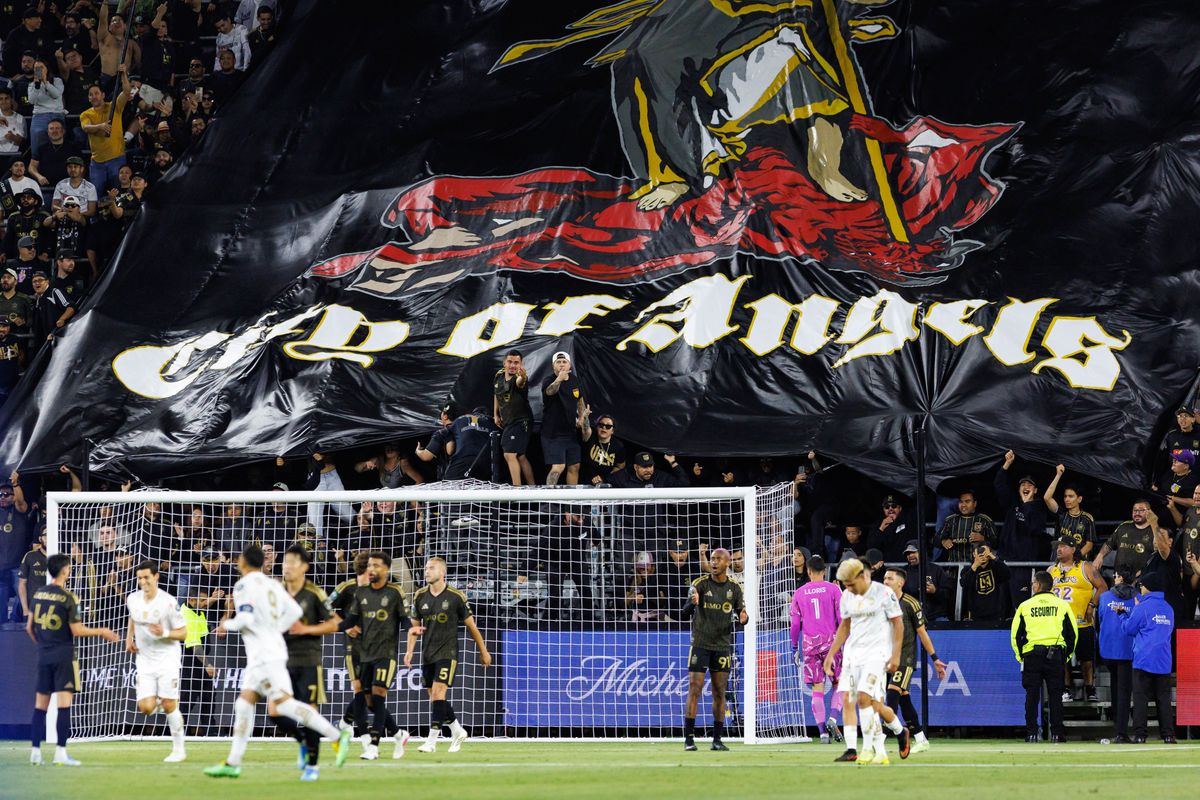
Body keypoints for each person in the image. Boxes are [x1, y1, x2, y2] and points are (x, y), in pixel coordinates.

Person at [205, 545, 351, 780]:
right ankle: (233, 762)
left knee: (279, 705)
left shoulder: (243, 585)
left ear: (243, 562)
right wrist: (274, 629)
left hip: (264, 656)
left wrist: (226, 625)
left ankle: (334, 735)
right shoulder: (272, 584)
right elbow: (293, 611)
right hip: (274, 651)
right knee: (251, 705)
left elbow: (245, 617)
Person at [26, 553, 121, 766]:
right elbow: (76, 630)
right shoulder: (70, 597)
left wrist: (43, 645)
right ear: (65, 571)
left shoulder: (39, 593)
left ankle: (35, 752)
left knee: (40, 706)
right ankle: (60, 753)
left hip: (43, 655)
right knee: (64, 705)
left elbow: (28, 628)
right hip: (64, 655)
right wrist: (102, 631)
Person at [271, 544, 349, 776]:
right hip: (280, 660)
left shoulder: (314, 593)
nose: (287, 566)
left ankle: (313, 767)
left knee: (310, 712)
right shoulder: (276, 591)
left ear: (305, 566)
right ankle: (303, 742)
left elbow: (335, 623)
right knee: (274, 712)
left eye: (293, 562)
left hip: (308, 659)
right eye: (285, 561)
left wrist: (305, 630)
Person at [824, 558, 910, 765]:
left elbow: (898, 624)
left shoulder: (884, 593)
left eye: (851, 584)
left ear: (863, 576)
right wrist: (830, 654)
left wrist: (896, 654)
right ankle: (855, 748)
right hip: (853, 656)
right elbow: (844, 626)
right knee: (853, 700)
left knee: (865, 699)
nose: (849, 588)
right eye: (846, 585)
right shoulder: (846, 596)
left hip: (877, 655)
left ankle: (868, 749)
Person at [406, 556, 492, 753]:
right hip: (427, 654)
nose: (427, 571)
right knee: (435, 699)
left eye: (432, 568)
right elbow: (414, 627)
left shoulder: (455, 596)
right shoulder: (420, 596)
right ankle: (457, 730)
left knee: (438, 694)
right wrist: (410, 650)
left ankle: (431, 741)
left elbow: (472, 627)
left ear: (442, 572)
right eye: (426, 568)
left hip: (448, 653)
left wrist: (484, 651)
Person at [344, 551, 409, 760]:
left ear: (386, 569)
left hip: (386, 652)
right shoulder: (359, 593)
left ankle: (372, 745)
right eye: (369, 566)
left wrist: (412, 630)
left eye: (376, 566)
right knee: (367, 700)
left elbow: (404, 619)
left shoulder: (394, 592)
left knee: (379, 696)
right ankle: (398, 734)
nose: (371, 569)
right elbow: (347, 620)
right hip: (364, 653)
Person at [682, 547, 747, 751]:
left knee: (720, 692)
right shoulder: (699, 584)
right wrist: (693, 604)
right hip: (700, 644)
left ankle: (717, 740)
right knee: (695, 689)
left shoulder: (735, 588)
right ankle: (689, 740)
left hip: (722, 646)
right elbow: (684, 613)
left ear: (727, 563)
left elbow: (741, 614)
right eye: (712, 559)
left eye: (719, 559)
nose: (714, 562)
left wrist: (745, 618)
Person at [125, 560, 188, 762]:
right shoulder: (132, 599)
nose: (143, 582)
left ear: (156, 577)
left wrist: (165, 632)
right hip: (144, 659)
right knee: (145, 708)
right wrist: (129, 639)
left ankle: (179, 750)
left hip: (167, 658)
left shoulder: (169, 602)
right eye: (140, 578)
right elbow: (133, 618)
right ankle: (164, 702)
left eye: (146, 577)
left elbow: (184, 633)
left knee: (170, 704)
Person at [882, 567, 948, 754]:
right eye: (884, 578)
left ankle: (881, 739)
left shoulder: (911, 603)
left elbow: (922, 633)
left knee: (893, 693)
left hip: (906, 658)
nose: (885, 582)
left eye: (890, 579)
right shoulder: (881, 603)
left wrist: (934, 658)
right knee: (904, 700)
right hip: (887, 658)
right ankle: (920, 738)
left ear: (900, 583)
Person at [1010, 570, 1077, 743]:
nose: (1032, 585)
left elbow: (1015, 635)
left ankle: (1031, 733)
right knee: (1056, 696)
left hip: (1032, 655)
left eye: (1033, 583)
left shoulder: (1025, 606)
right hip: (1055, 656)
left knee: (1032, 696)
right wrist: (1065, 656)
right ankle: (1057, 734)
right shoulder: (1062, 605)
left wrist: (1021, 657)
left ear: (1038, 585)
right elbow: (1072, 634)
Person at [788, 554, 844, 744]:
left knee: (817, 689)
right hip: (832, 643)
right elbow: (842, 618)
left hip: (810, 646)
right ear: (825, 571)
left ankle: (822, 733)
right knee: (840, 683)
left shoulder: (799, 592)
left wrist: (794, 646)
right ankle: (833, 718)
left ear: (809, 571)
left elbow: (795, 624)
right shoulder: (834, 589)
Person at [1117, 572, 1176, 743]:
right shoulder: (1168, 608)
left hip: (1144, 659)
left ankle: (1141, 736)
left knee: (1140, 698)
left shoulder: (1142, 607)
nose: (1140, 589)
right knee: (1163, 699)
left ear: (1147, 587)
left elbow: (1129, 629)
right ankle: (1168, 735)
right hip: (1164, 660)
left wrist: (1122, 614)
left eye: (1141, 586)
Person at [1049, 536, 1107, 702]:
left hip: (1082, 623)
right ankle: (1065, 689)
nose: (1058, 549)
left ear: (1073, 549)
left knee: (1086, 660)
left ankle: (1090, 689)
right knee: (1062, 659)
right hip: (1059, 623)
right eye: (1057, 546)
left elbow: (1103, 587)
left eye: (1063, 546)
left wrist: (1092, 604)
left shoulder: (1085, 567)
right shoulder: (1051, 570)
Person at [994, 451, 1050, 604]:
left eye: (1030, 485)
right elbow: (999, 485)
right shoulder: (1013, 504)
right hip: (1005, 561)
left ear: (1036, 490)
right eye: (1023, 484)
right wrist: (1007, 464)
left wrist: (1026, 506)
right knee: (1001, 602)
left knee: (1020, 603)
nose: (1026, 487)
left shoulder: (1039, 509)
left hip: (1024, 565)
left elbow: (1034, 530)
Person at [1095, 566, 1137, 743]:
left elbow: (1099, 622)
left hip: (1109, 649)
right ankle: (1122, 731)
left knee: (1117, 689)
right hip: (1129, 649)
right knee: (1125, 691)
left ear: (1119, 577)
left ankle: (1119, 730)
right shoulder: (1137, 598)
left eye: (1116, 575)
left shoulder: (1105, 597)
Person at [79, 64, 132, 198]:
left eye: (96, 93)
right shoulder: (85, 114)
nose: (94, 96)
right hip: (97, 162)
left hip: (117, 158)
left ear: (103, 95)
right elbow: (85, 128)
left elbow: (126, 92)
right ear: (88, 98)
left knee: (119, 193)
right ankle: (94, 218)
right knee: (94, 194)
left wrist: (124, 74)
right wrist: (100, 126)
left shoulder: (114, 106)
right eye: (91, 95)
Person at [541, 350, 586, 485]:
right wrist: (559, 379)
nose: (561, 365)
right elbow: (550, 392)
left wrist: (581, 418)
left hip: (570, 433)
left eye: (564, 362)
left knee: (575, 466)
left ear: (569, 365)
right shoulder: (548, 380)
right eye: (558, 362)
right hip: (552, 434)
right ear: (553, 366)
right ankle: (548, 499)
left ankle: (570, 504)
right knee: (558, 467)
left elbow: (580, 400)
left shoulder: (575, 380)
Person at [493, 349, 535, 485]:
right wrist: (496, 414)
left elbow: (520, 382)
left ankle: (516, 490)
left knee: (509, 454)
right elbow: (496, 393)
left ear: (521, 364)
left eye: (516, 363)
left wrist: (522, 377)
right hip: (509, 422)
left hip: (521, 421)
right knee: (521, 456)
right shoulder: (498, 376)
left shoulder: (520, 378)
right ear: (504, 363)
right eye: (510, 362)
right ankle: (532, 488)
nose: (512, 365)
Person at [1093, 500, 1158, 577]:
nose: (1137, 513)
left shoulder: (1154, 529)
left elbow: (1159, 552)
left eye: (1141, 510)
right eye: (1135, 510)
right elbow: (1109, 544)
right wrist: (1100, 556)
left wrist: (1154, 523)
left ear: (1149, 512)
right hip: (1118, 579)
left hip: (1141, 580)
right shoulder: (1124, 526)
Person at [1043, 464, 1097, 558]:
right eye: (1065, 496)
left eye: (1071, 496)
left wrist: (1075, 557)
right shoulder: (1061, 514)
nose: (1066, 499)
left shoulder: (1087, 518)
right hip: (1059, 562)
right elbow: (1047, 498)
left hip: (1077, 563)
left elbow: (1089, 544)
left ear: (1079, 499)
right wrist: (1058, 475)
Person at [1, 472, 32, 624]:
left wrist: (15, 484)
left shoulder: (19, 510)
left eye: (7, 494)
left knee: (21, 599)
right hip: (0, 568)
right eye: (0, 494)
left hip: (16, 565)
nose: (3, 497)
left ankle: (17, 626)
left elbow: (20, 502)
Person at [936, 489, 996, 562]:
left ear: (975, 504)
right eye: (961, 502)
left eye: (967, 501)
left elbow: (996, 543)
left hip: (978, 568)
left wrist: (983, 539)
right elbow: (936, 540)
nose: (963, 505)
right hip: (954, 568)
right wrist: (943, 541)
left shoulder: (985, 520)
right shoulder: (950, 520)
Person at [959, 543, 1011, 621]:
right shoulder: (968, 569)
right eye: (979, 552)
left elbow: (1008, 574)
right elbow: (963, 583)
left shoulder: (996, 567)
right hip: (975, 614)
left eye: (984, 552)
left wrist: (994, 557)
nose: (982, 555)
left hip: (995, 613)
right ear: (974, 554)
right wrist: (975, 565)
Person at [581, 413, 626, 485]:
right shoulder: (591, 436)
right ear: (597, 427)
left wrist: (604, 478)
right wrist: (585, 417)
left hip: (606, 483)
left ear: (613, 430)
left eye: (608, 426)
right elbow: (586, 429)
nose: (604, 428)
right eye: (601, 425)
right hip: (585, 481)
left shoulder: (618, 446)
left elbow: (620, 467)